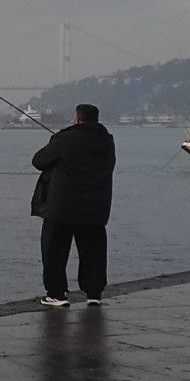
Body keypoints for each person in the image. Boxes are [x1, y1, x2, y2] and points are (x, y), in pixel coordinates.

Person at [31, 103, 116, 307]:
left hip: (62, 207)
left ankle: (57, 294)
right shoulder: (107, 141)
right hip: (96, 207)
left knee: (54, 251)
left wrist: (57, 139)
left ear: (77, 119)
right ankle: (94, 293)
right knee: (93, 252)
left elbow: (38, 161)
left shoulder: (65, 138)